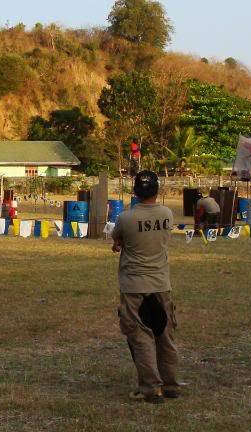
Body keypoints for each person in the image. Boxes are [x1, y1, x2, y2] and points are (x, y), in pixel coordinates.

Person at [111, 170, 180, 404]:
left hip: (133, 287)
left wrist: (120, 243)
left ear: (135, 191)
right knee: (164, 334)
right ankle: (171, 384)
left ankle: (151, 388)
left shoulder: (125, 218)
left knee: (140, 337)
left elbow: (117, 239)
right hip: (161, 284)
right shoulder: (167, 214)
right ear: (157, 190)